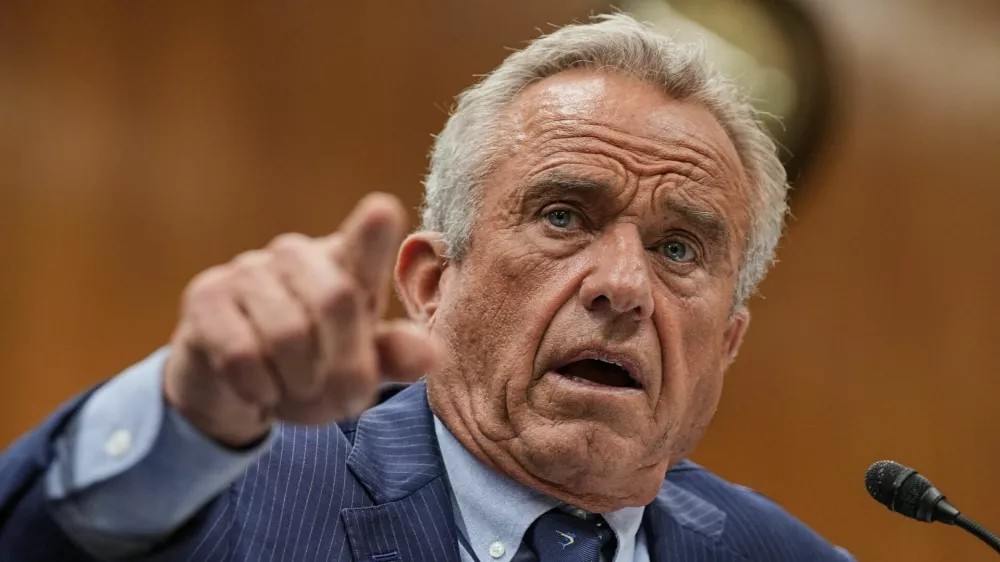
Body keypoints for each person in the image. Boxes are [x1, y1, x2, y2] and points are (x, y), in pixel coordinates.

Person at [0, 13, 854, 562]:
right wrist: (188, 416)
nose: (624, 286)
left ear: (726, 344)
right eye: (563, 217)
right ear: (431, 283)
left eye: (677, 248)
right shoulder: (238, 496)